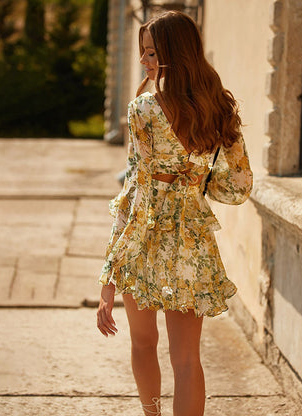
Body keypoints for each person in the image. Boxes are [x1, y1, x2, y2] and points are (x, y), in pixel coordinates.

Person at [97, 10, 253, 416]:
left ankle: (153, 414)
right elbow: (238, 188)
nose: (145, 62)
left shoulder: (144, 109)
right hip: (191, 245)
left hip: (144, 240)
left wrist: (109, 269)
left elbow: (133, 189)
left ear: (173, 54)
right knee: (187, 360)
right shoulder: (218, 108)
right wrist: (197, 184)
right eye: (143, 54)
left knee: (143, 344)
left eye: (151, 54)